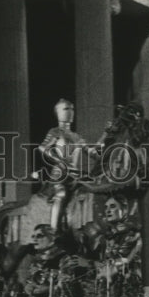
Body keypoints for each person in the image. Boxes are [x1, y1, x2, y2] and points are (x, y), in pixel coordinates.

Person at [37, 98, 88, 233]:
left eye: (72, 109)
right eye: (66, 109)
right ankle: (54, 231)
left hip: (76, 174)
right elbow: (43, 148)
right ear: (59, 112)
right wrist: (59, 160)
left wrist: (106, 135)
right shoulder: (55, 132)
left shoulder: (77, 136)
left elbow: (91, 152)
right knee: (61, 193)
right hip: (60, 174)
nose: (70, 112)